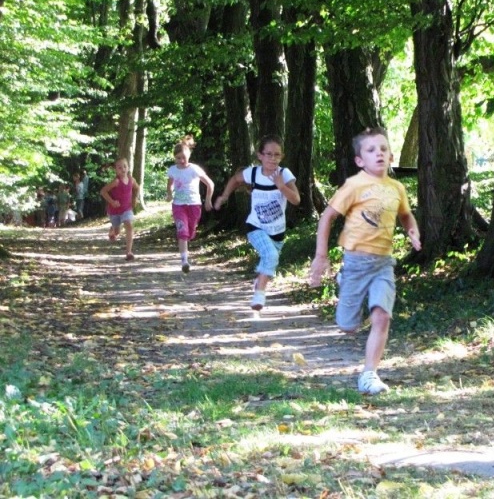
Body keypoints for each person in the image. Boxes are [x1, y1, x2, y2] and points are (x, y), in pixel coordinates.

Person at [309, 126, 421, 395]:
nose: (379, 154)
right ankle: (343, 280)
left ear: (391, 156)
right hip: (356, 264)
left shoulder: (397, 188)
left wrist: (412, 230)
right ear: (360, 160)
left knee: (382, 316)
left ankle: (369, 375)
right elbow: (327, 218)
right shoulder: (355, 185)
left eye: (383, 149)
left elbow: (405, 215)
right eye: (371, 150)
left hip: (383, 264)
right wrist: (321, 257)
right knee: (349, 327)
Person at [214, 135, 300, 310]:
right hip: (255, 226)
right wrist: (224, 196)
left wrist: (281, 186)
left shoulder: (284, 174)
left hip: (277, 231)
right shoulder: (252, 173)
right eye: (268, 154)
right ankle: (259, 295)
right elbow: (236, 179)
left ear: (282, 156)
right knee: (271, 256)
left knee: (270, 261)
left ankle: (259, 281)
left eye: (277, 155)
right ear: (260, 155)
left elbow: (296, 200)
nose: (273, 158)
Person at [167, 136, 215, 273]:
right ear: (174, 158)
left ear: (189, 155)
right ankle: (184, 261)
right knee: (182, 232)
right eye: (178, 158)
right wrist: (169, 194)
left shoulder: (195, 169)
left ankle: (189, 238)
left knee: (190, 232)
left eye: (184, 157)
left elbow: (210, 184)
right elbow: (169, 184)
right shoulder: (172, 170)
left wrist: (208, 200)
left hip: (194, 204)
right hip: (178, 205)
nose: (181, 161)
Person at [99, 157, 139, 261]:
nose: (123, 169)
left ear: (128, 167)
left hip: (127, 209)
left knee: (129, 225)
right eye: (120, 168)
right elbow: (103, 191)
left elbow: (137, 188)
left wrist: (135, 198)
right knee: (117, 231)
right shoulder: (116, 182)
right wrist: (112, 202)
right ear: (116, 170)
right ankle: (113, 230)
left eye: (125, 166)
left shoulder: (132, 180)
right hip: (115, 211)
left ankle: (129, 252)